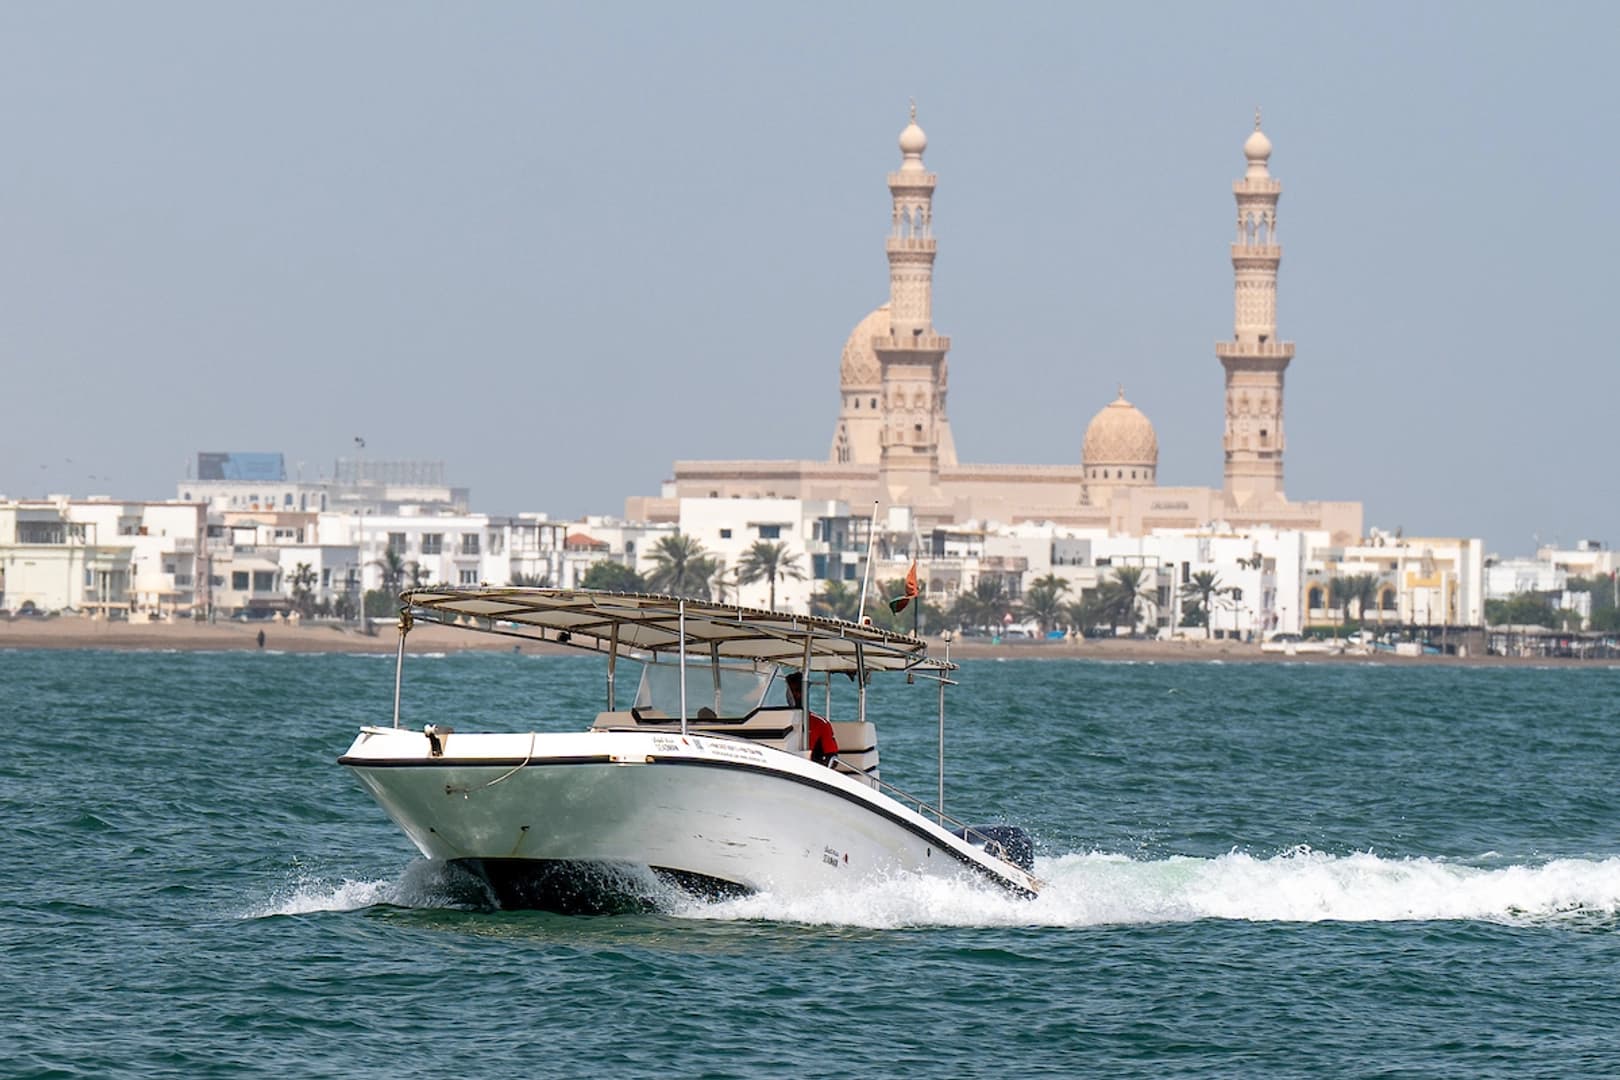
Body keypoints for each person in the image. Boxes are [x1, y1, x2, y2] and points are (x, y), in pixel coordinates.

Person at [784, 671, 838, 768]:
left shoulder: (820, 724)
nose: (794, 695)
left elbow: (832, 759)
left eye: (797, 690)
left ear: (805, 692)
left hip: (808, 771)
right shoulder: (775, 720)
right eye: (790, 691)